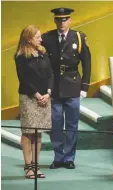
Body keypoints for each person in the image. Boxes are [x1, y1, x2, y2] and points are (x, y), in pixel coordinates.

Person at [42, 7, 91, 169]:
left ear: (70, 20)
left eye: (65, 19)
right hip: (54, 86)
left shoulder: (79, 37)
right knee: (56, 124)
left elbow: (87, 63)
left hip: (73, 85)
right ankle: (58, 157)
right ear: (55, 20)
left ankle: (69, 157)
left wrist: (85, 86)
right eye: (59, 20)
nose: (62, 23)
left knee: (72, 124)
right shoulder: (47, 38)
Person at [15, 25, 54, 179]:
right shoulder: (21, 56)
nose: (41, 39)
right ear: (29, 39)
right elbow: (24, 79)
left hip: (45, 96)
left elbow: (51, 74)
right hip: (29, 97)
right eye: (38, 37)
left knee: (38, 133)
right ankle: (28, 166)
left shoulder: (43, 53)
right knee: (28, 132)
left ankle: (36, 166)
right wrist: (37, 95)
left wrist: (48, 93)